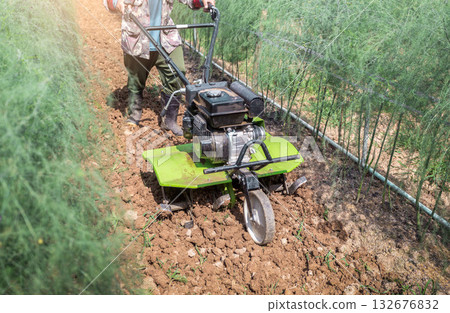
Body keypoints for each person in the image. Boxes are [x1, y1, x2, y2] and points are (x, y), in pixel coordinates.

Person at [104, 0, 215, 135]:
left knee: (177, 72)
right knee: (136, 80)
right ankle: (134, 113)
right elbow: (110, 2)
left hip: (166, 38)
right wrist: (118, 4)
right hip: (137, 40)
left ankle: (169, 119)